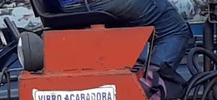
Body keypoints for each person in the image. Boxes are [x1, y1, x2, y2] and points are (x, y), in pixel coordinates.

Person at [57, 0, 193, 70]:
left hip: (67, 5)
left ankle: (134, 74)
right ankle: (151, 85)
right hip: (99, 3)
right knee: (174, 29)